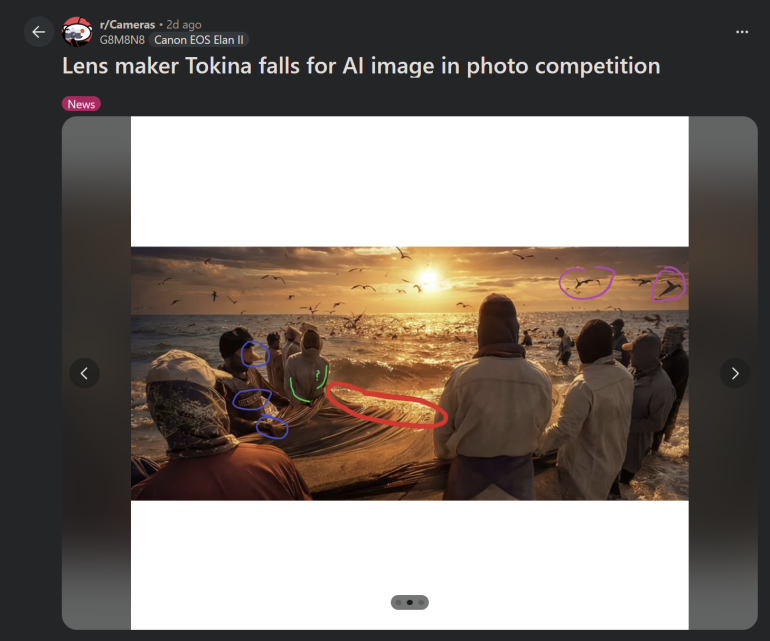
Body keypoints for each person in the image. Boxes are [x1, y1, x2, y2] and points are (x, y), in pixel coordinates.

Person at [131, 350, 312, 500]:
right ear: (212, 401)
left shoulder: (145, 494)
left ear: (158, 411)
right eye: (220, 389)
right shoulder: (274, 463)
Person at [433, 293, 552, 500]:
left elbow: (442, 439)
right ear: (515, 330)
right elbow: (539, 433)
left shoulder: (462, 377)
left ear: (481, 331)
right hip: (520, 488)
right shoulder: (540, 377)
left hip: (469, 488)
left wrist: (457, 457)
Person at [535, 320, 634, 500]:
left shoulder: (583, 385)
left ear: (583, 348)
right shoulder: (624, 374)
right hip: (612, 460)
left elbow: (564, 431)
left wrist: (535, 444)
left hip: (585, 473)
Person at [610, 333, 676, 495]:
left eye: (633, 352)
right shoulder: (635, 370)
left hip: (634, 447)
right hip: (618, 440)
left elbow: (657, 423)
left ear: (643, 354)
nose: (629, 355)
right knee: (608, 481)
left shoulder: (662, 386)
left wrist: (625, 424)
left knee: (620, 485)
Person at [217, 327, 273, 437]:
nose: (251, 356)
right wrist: (257, 425)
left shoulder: (252, 372)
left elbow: (272, 394)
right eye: (245, 349)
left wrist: (291, 405)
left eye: (250, 348)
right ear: (228, 355)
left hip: (264, 434)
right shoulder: (221, 383)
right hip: (244, 441)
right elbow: (230, 419)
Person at [652, 325, 689, 451]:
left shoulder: (680, 358)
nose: (663, 340)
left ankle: (654, 457)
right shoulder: (666, 354)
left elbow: (672, 383)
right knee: (655, 430)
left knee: (659, 430)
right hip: (662, 399)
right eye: (664, 337)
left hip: (670, 401)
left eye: (666, 337)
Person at [284, 324, 330, 406]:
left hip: (315, 407)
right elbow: (290, 388)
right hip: (302, 407)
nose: (311, 344)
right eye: (308, 341)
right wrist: (304, 402)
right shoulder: (293, 360)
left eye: (313, 341)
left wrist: (312, 403)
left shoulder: (325, 362)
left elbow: (322, 387)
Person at [266, 331, 288, 398]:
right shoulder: (278, 355)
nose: (279, 342)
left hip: (273, 387)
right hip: (282, 390)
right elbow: (282, 374)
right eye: (278, 340)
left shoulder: (268, 352)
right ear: (275, 341)